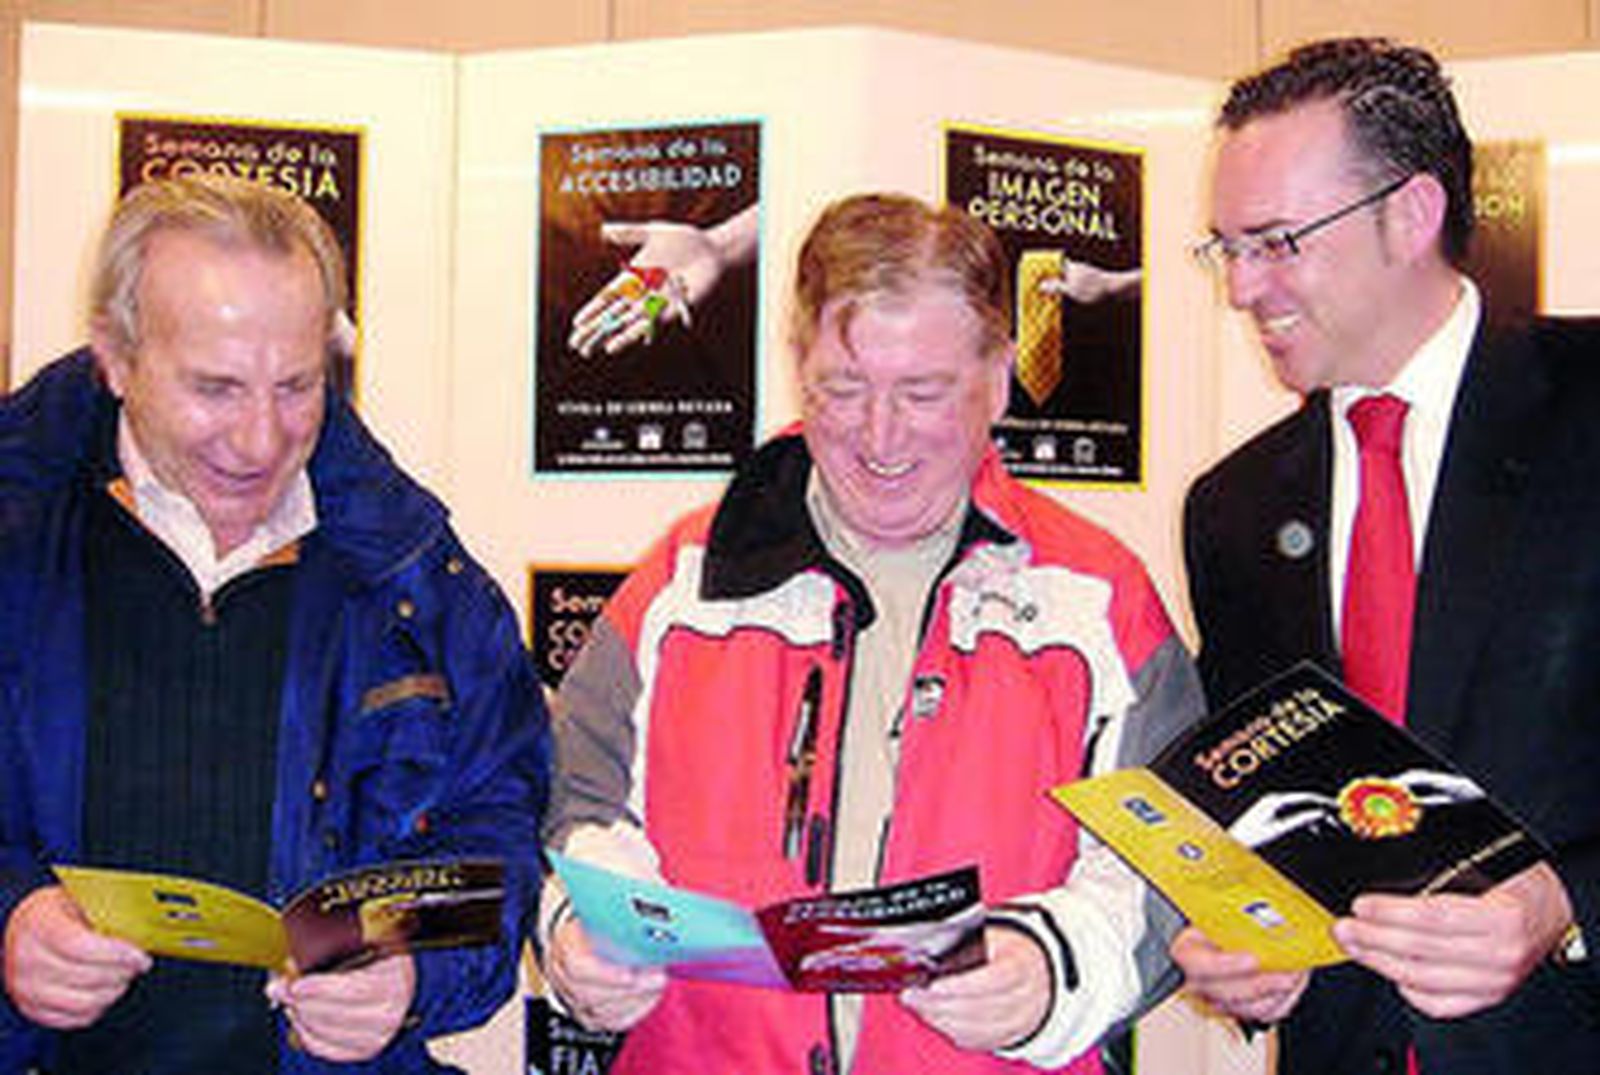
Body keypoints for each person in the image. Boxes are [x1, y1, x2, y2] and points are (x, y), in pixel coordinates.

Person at [539, 192, 1204, 1073]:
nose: (879, 435)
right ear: (798, 368)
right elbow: (574, 803)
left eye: (922, 392)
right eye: (842, 389)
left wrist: (1054, 966)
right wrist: (580, 931)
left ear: (1000, 377)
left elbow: (1172, 861)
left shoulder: (1098, 600)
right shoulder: (682, 582)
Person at [0, 174, 551, 1072]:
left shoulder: (417, 575)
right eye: (214, 388)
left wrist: (409, 967)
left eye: (298, 386)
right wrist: (8, 915)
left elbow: (496, 828)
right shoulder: (17, 540)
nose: (260, 440)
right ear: (115, 355)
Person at [1176, 36, 1600, 1073]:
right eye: (1225, 248)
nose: (1241, 289)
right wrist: (1233, 941)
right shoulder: (1231, 511)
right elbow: (1262, 809)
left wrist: (1564, 902)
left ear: (1409, 216)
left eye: (1275, 242)